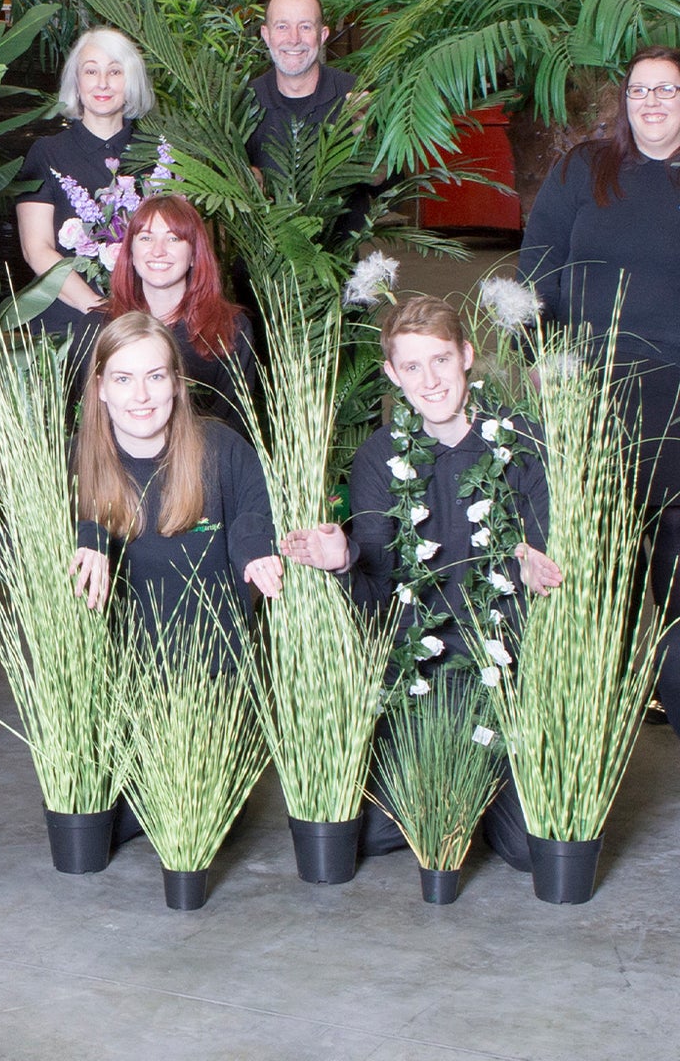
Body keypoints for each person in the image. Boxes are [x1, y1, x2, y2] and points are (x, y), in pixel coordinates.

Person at [281, 294, 561, 871]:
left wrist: (535, 567)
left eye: (440, 360)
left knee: (533, 851)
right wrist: (344, 559)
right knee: (375, 839)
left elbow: (542, 548)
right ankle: (457, 791)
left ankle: (490, 794)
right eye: (411, 366)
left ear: (466, 355)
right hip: (421, 678)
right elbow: (380, 590)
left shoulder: (524, 442)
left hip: (507, 673)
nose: (429, 381)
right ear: (392, 373)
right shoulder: (381, 456)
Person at [518, 47, 680, 727]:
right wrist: (538, 352)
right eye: (640, 90)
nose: (651, 102)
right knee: (602, 544)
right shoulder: (585, 169)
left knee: (672, 544)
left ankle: (673, 692)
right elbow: (539, 258)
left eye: (667, 91)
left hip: (676, 391)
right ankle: (601, 700)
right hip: (591, 384)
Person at [71, 313, 279, 648]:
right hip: (116, 676)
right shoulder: (72, 462)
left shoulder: (223, 448)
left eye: (155, 376)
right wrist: (86, 534)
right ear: (101, 388)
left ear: (177, 382)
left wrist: (254, 545)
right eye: (123, 379)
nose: (141, 395)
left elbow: (257, 512)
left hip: (221, 670)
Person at [42, 195, 259, 434]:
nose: (158, 251)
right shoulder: (97, 327)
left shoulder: (230, 329)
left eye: (173, 238)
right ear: (131, 253)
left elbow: (235, 429)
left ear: (195, 254)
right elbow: (77, 422)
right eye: (146, 237)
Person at [16, 27, 155, 318]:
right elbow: (36, 249)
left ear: (132, 82)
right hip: (73, 314)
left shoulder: (158, 155)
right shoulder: (45, 153)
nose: (102, 83)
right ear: (77, 82)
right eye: (91, 72)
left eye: (115, 72)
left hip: (148, 316)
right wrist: (96, 307)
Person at [247, 0, 356, 179]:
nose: (294, 39)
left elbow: (386, 184)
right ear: (266, 35)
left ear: (322, 36)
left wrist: (368, 138)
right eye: (282, 27)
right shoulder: (245, 102)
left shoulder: (355, 95)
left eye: (305, 27)